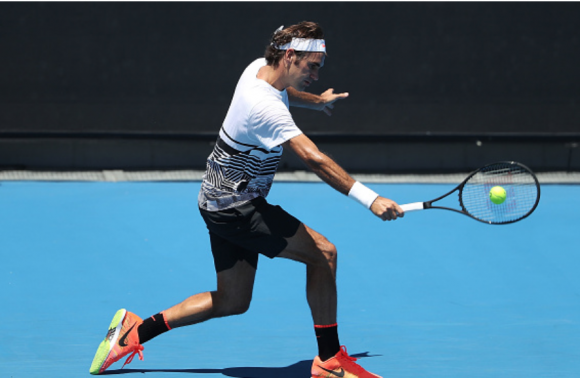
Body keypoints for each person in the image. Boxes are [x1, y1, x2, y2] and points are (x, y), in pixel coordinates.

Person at [89, 21, 404, 378]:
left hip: (215, 201)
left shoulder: (259, 67)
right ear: (289, 56)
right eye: (312, 66)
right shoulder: (264, 107)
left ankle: (134, 331)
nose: (316, 73)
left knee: (232, 301)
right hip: (238, 208)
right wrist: (370, 198)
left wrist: (317, 102)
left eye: (320, 66)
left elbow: (284, 91)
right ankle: (329, 361)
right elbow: (313, 157)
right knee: (324, 254)